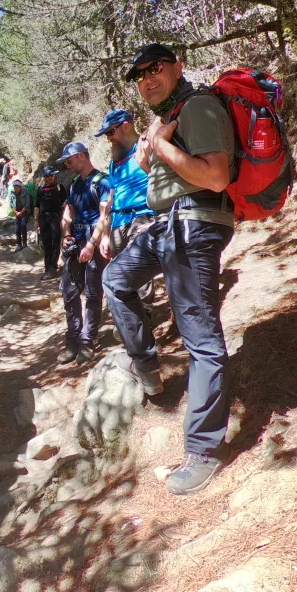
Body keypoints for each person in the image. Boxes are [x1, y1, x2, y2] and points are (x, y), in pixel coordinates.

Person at [101, 43, 236, 496]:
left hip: (195, 224)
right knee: (115, 279)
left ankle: (203, 451)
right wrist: (151, 159)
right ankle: (148, 367)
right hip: (167, 226)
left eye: (155, 68)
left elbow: (216, 176)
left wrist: (159, 145)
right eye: (139, 75)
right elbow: (173, 174)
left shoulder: (198, 106)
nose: (147, 78)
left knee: (200, 336)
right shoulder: (172, 114)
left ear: (178, 66)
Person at [92, 109, 155, 302]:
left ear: (125, 125)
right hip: (118, 223)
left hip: (142, 217)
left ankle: (146, 318)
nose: (108, 138)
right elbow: (110, 200)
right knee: (121, 273)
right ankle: (131, 322)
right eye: (106, 135)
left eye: (110, 132)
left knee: (139, 271)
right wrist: (104, 235)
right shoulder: (115, 162)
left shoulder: (146, 147)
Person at [57, 142, 111, 365]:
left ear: (81, 156)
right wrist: (66, 234)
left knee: (93, 292)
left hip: (93, 241)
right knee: (68, 291)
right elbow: (68, 212)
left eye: (69, 160)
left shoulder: (103, 181)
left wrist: (92, 243)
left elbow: (105, 215)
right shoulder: (73, 185)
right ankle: (72, 339)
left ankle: (88, 340)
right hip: (76, 240)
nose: (67, 165)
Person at [34, 166, 66, 279]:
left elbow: (65, 204)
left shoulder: (60, 188)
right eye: (48, 176)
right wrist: (36, 220)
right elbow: (37, 205)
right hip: (43, 219)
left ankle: (53, 267)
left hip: (56, 218)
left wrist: (64, 219)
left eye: (51, 175)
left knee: (56, 243)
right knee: (46, 243)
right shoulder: (40, 189)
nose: (50, 178)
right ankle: (47, 268)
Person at [8, 178, 31, 251]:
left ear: (20, 187)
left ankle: (24, 243)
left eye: (17, 187)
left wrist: (21, 212)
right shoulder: (12, 192)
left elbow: (27, 204)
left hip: (25, 211)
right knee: (17, 229)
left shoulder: (25, 192)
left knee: (23, 225)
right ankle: (19, 244)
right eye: (15, 187)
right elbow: (11, 204)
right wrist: (16, 212)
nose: (16, 188)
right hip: (17, 211)